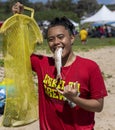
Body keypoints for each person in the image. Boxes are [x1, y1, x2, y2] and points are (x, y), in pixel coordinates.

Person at [12, 2, 107, 130]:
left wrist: (74, 99)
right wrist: (18, 19)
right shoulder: (42, 64)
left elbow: (98, 106)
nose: (56, 42)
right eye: (51, 39)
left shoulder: (90, 67)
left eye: (61, 37)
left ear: (72, 38)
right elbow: (17, 50)